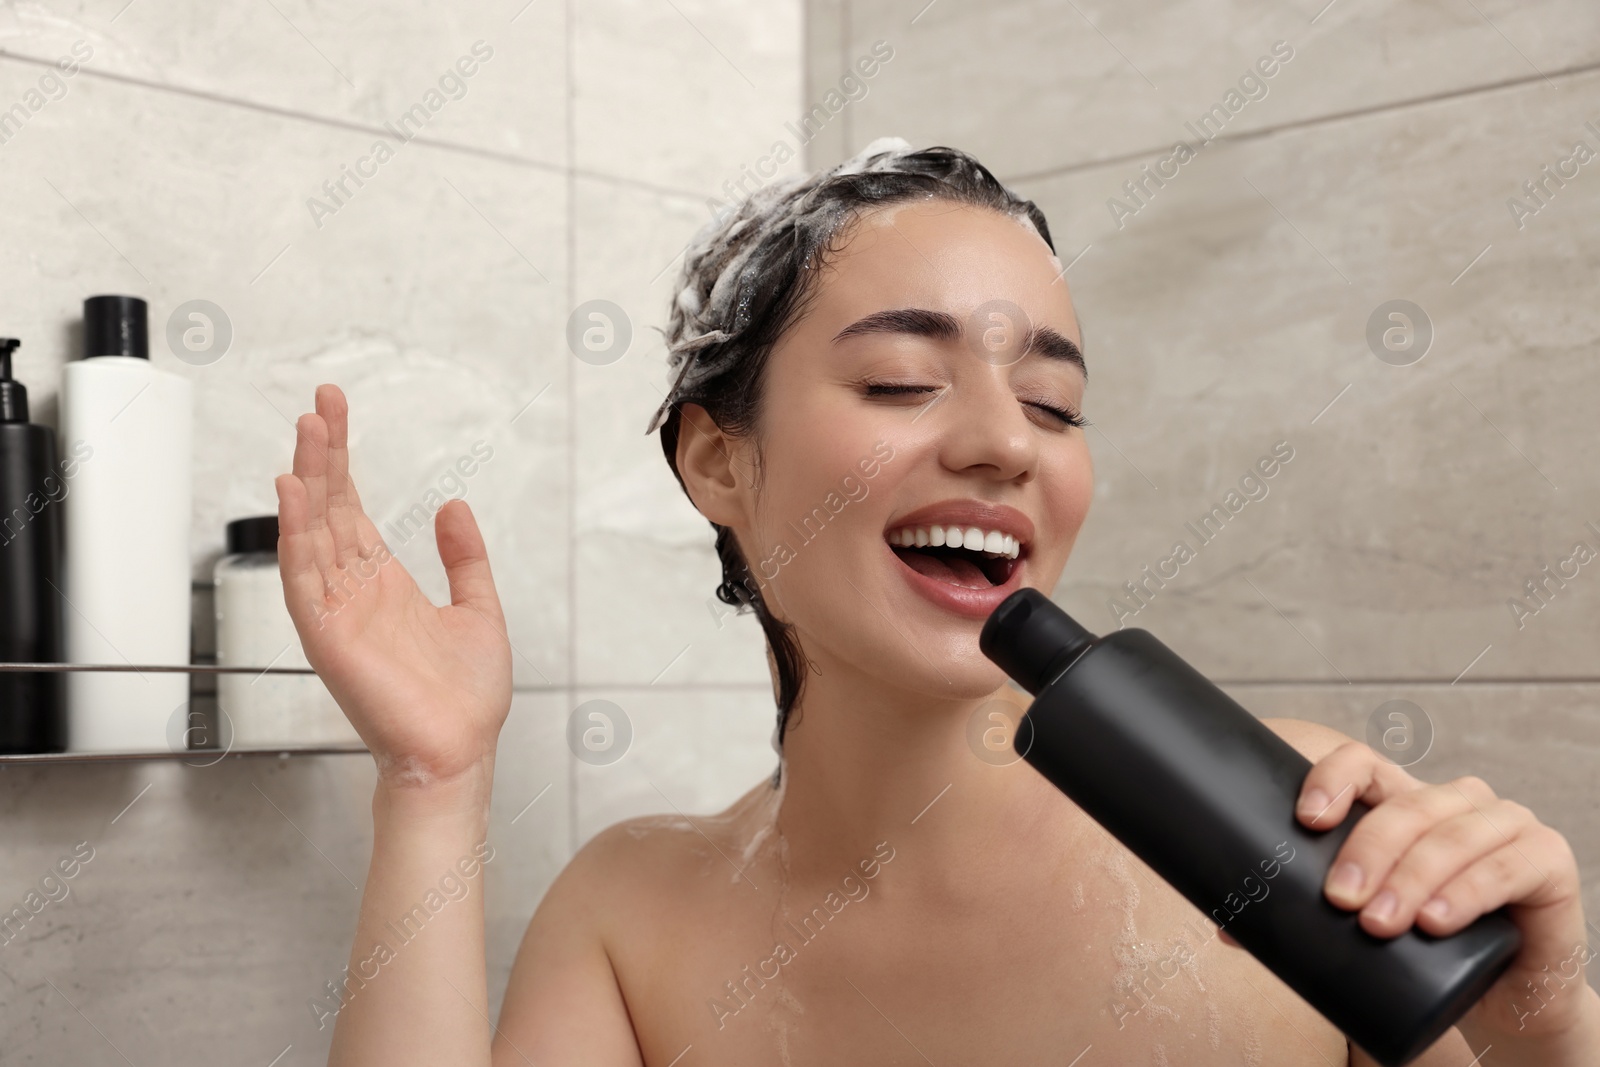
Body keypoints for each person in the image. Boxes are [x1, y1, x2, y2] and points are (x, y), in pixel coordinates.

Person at [275, 139, 1599, 1065]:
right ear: (718, 461)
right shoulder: (636, 917)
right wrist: (432, 784)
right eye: (904, 382)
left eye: (1055, 405)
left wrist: (1543, 1038)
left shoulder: (1303, 835)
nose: (1005, 445)